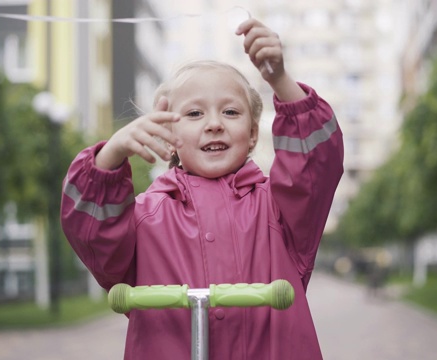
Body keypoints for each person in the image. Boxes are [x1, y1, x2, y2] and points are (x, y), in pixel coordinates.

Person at [61, 18, 343, 360]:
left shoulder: (279, 212)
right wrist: (112, 154)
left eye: (230, 111)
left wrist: (279, 80)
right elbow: (91, 232)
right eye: (194, 113)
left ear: (253, 133)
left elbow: (316, 163)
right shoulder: (143, 217)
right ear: (166, 132)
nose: (213, 124)